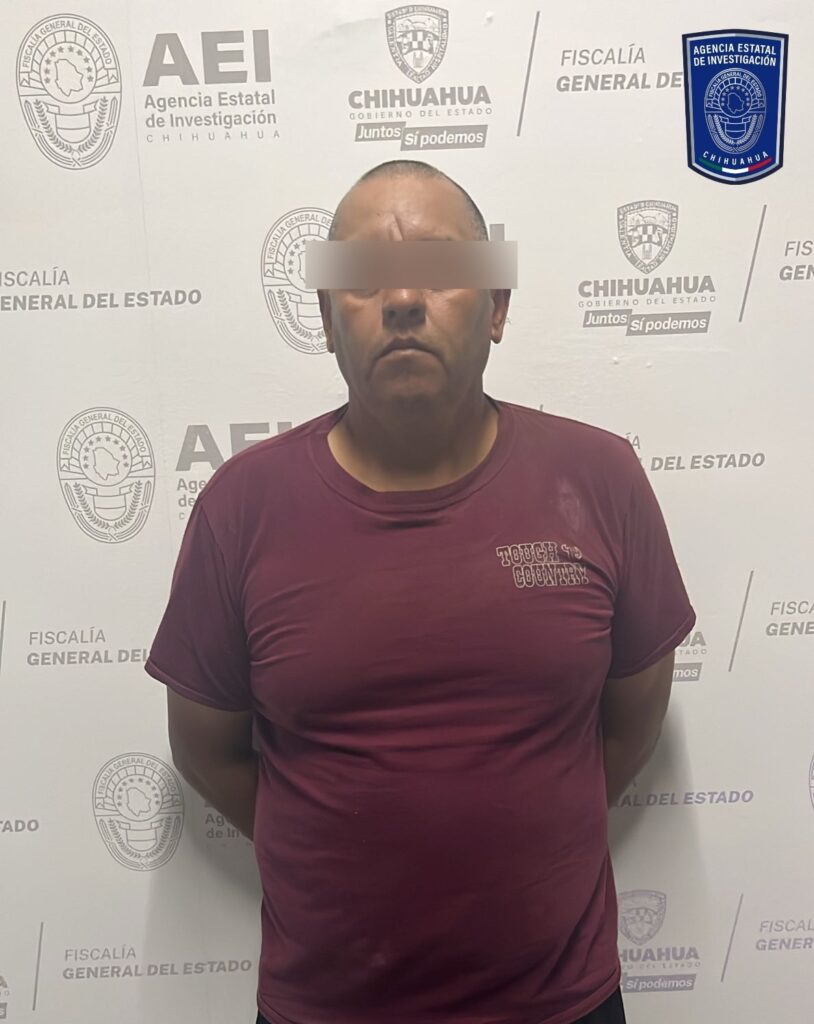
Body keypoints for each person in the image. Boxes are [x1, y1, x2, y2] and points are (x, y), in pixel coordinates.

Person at [145, 159, 696, 1024]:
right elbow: (206, 749)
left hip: (561, 1004)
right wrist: (329, 850)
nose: (402, 298)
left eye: (440, 268)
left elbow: (631, 722)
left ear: (497, 306)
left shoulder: (600, 479)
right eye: (363, 277)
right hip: (327, 1007)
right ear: (326, 319)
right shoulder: (241, 508)